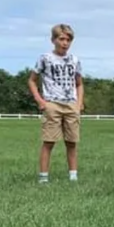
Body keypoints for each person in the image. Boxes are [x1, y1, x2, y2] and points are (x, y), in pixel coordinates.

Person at [28, 23, 84, 184]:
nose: (65, 43)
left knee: (72, 142)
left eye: (68, 40)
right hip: (52, 103)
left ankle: (73, 176)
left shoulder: (74, 60)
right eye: (61, 39)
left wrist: (79, 103)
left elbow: (79, 83)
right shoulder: (45, 58)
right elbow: (32, 80)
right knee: (49, 141)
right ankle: (43, 177)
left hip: (71, 104)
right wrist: (40, 101)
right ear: (53, 40)